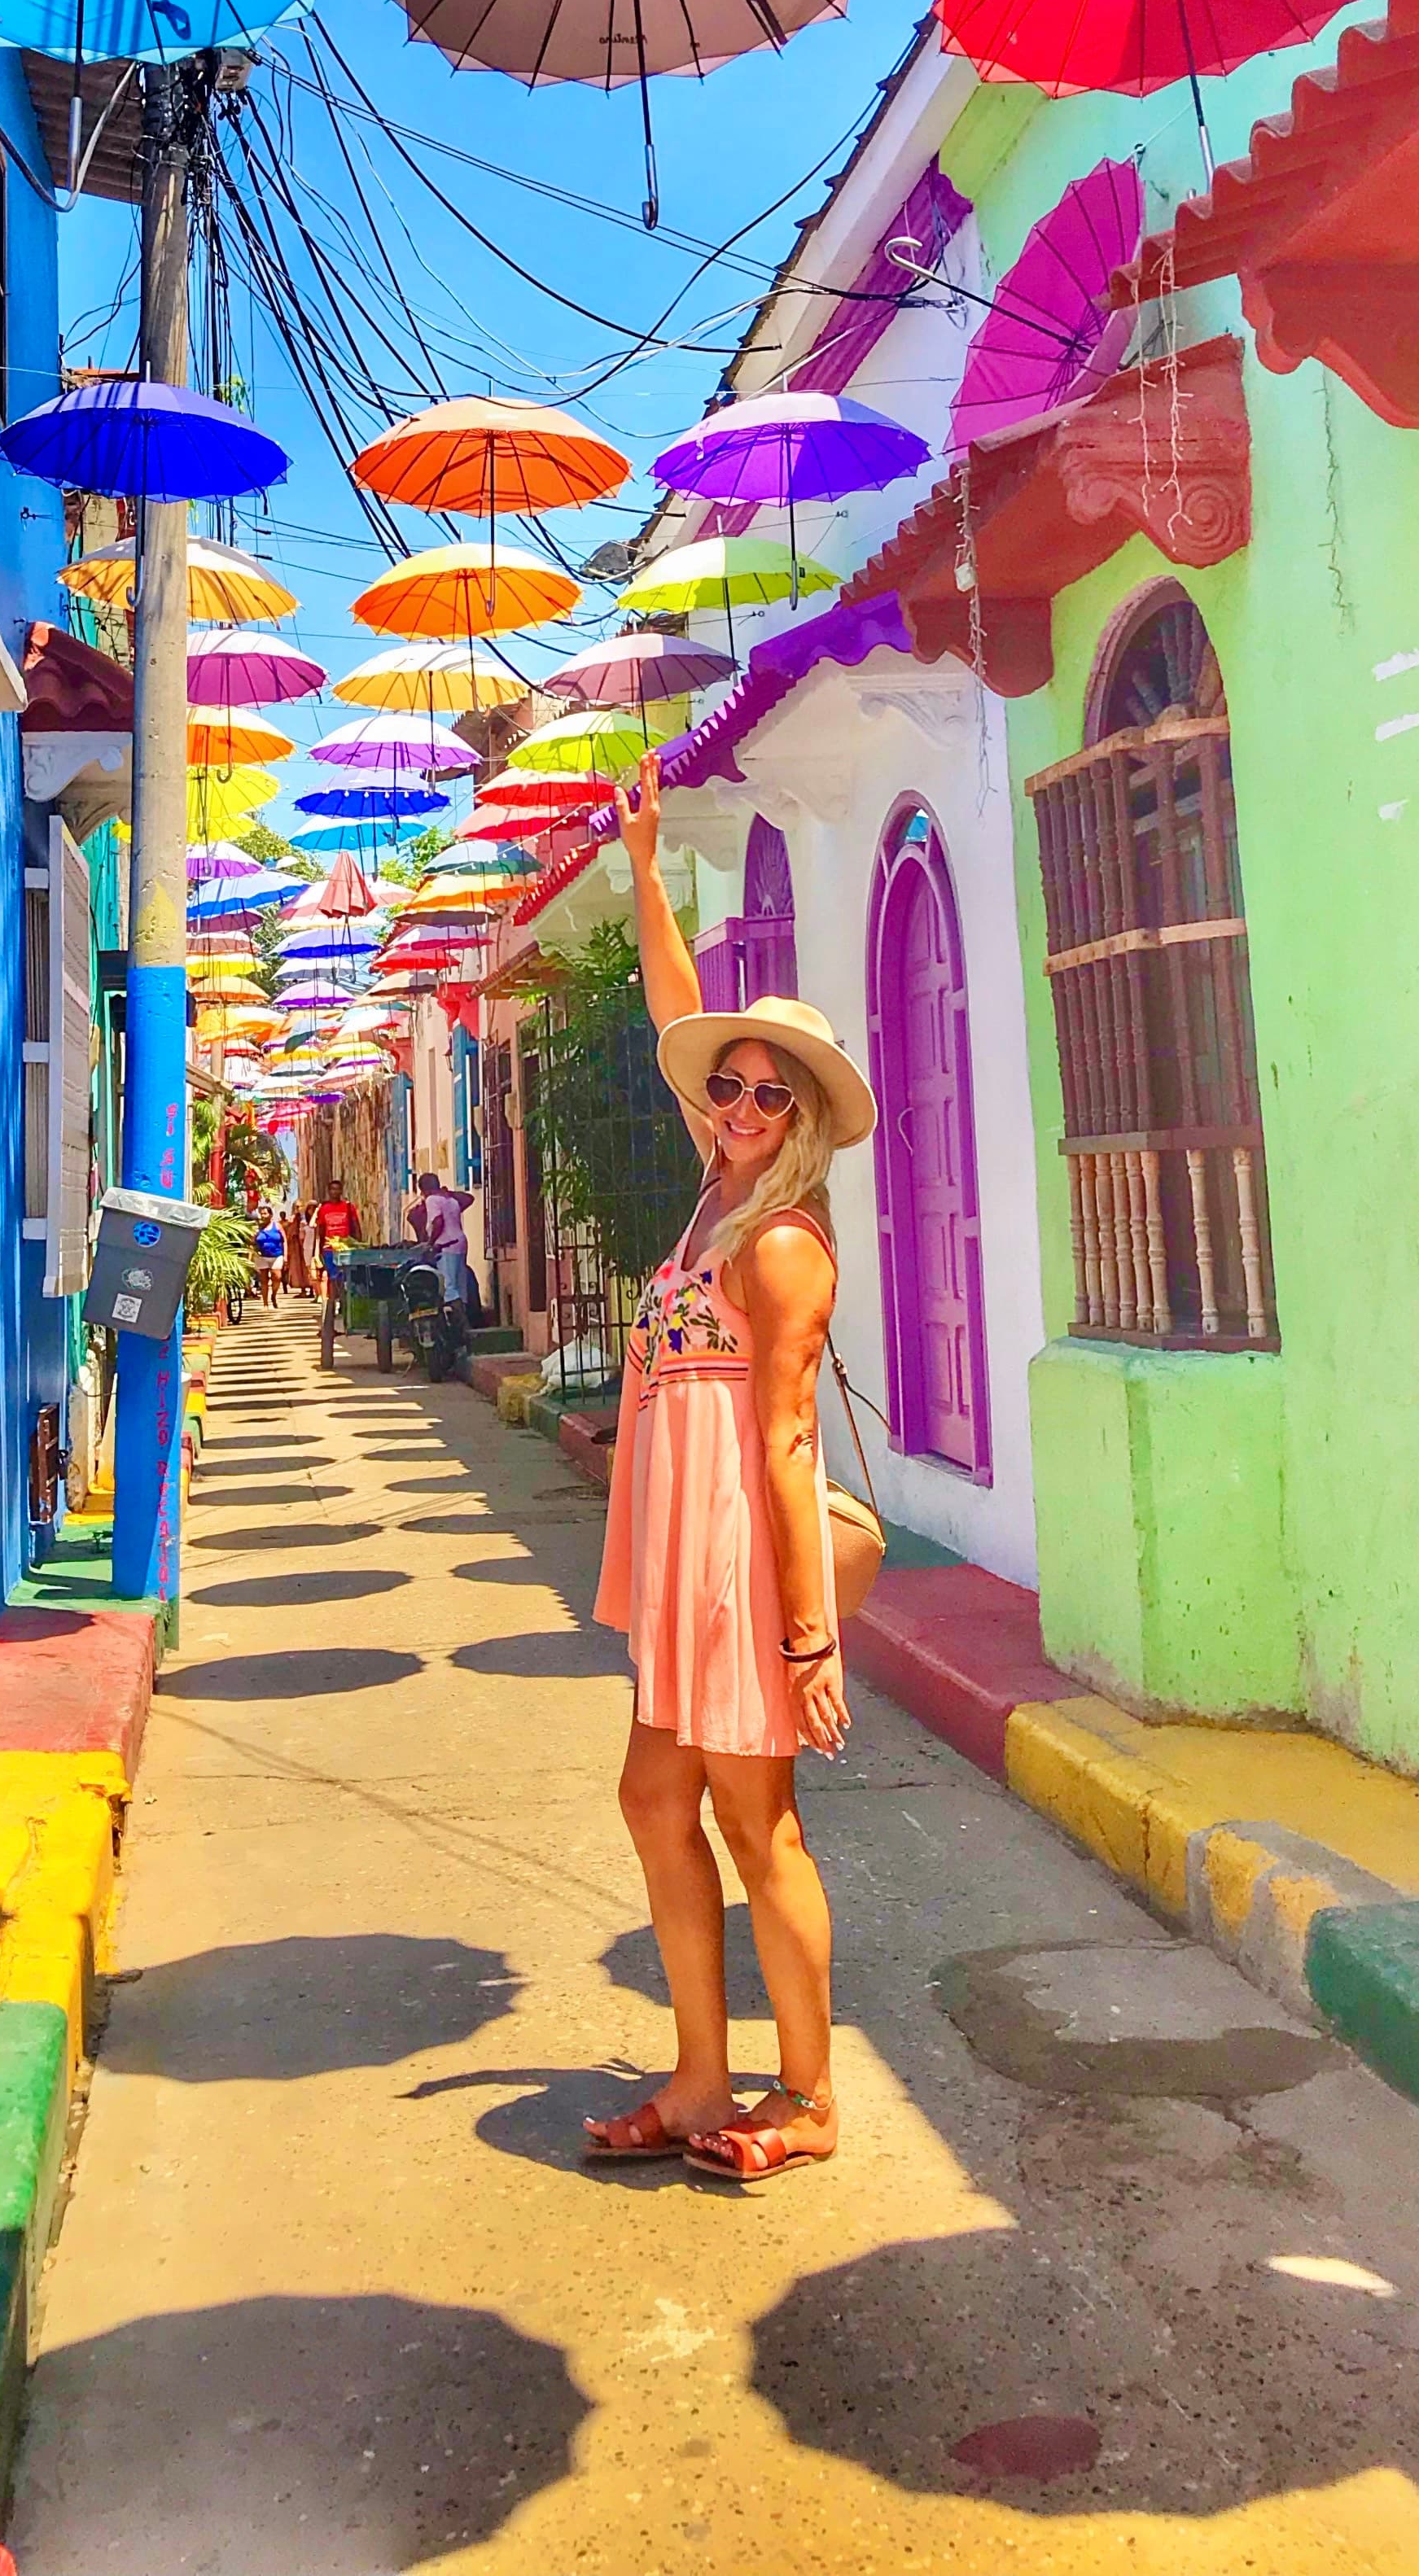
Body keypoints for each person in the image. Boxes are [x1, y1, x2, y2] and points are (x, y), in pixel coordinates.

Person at [585, 750, 876, 2185]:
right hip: (676, 1558)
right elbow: (673, 1011)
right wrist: (642, 865)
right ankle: (702, 2078)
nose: (741, 1101)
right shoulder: (716, 1195)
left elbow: (782, 1438)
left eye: (768, 1092)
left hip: (738, 1569)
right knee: (654, 1799)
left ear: (804, 1117)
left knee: (759, 1824)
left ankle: (805, 2093)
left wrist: (806, 1631)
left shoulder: (776, 1241)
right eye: (732, 1087)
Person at [409, 1170, 475, 1312]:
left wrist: (431, 1243)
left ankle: (460, 1324)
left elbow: (438, 1222)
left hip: (446, 1246)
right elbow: (467, 1199)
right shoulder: (451, 1200)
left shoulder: (432, 1200)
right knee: (460, 1285)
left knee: (449, 1287)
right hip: (460, 1242)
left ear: (424, 1190)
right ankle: (462, 1317)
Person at [252, 1210, 286, 1310]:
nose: (263, 1216)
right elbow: (251, 1241)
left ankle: (274, 1295)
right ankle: (265, 1304)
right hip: (262, 1256)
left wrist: (286, 1255)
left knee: (277, 1276)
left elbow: (284, 1240)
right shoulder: (257, 1227)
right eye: (261, 1214)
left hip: (277, 1255)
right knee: (264, 1280)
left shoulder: (278, 1226)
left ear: (271, 1215)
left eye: (265, 1213)